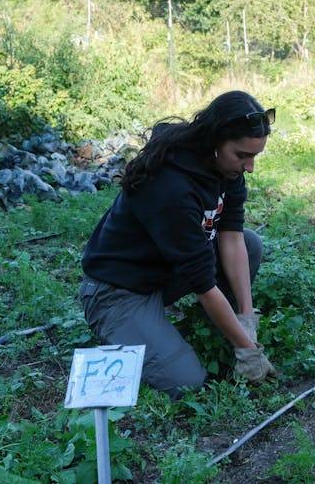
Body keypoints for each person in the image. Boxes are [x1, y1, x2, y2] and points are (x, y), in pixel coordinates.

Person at [78, 90, 277, 401]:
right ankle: (126, 330)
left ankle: (178, 327)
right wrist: (248, 351)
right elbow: (202, 282)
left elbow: (232, 234)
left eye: (254, 156)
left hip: (165, 272)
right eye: (242, 155)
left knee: (251, 244)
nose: (249, 167)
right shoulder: (170, 186)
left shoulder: (226, 167)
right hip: (119, 293)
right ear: (215, 140)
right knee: (187, 383)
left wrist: (247, 318)